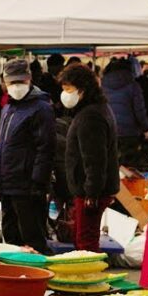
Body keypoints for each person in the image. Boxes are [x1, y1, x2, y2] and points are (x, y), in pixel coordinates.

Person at [0, 60, 55, 254]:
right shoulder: (8, 108)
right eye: (11, 82)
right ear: (5, 83)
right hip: (7, 183)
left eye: (20, 81)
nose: (16, 87)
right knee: (11, 236)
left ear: (29, 80)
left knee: (33, 236)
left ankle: (41, 275)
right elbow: (2, 144)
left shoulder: (41, 108)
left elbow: (46, 147)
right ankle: (15, 276)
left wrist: (38, 181)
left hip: (27, 185)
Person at [59, 65, 119, 252]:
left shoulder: (90, 116)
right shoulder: (95, 110)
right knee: (82, 237)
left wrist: (91, 193)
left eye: (68, 89)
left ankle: (91, 278)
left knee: (86, 241)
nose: (65, 94)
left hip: (91, 192)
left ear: (82, 89)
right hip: (88, 189)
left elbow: (95, 159)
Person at [102, 58, 148, 168]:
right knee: (129, 166)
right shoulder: (133, 85)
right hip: (130, 132)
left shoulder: (103, 85)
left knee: (111, 165)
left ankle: (115, 185)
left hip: (109, 129)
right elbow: (140, 110)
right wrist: (146, 128)